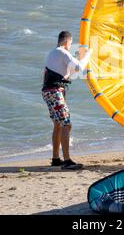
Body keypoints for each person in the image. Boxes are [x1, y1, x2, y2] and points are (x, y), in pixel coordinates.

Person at [42, 31, 91, 169]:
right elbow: (80, 68)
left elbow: (71, 71)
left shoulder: (53, 53)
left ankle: (56, 159)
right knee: (66, 124)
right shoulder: (62, 52)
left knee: (58, 124)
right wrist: (88, 54)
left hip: (49, 92)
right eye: (70, 44)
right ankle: (67, 161)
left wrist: (81, 58)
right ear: (66, 42)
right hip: (55, 92)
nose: (70, 47)